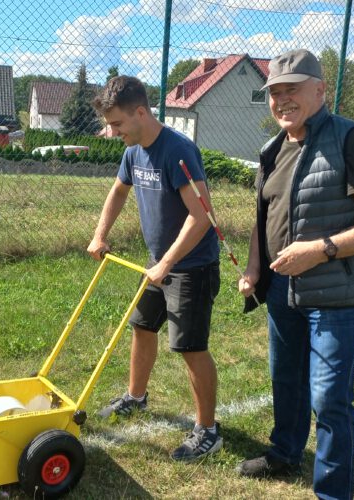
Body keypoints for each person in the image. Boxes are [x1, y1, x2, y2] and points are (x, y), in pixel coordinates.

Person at [235, 49, 354, 499]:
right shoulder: (270, 151)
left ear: (320, 90)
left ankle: (331, 492)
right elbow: (261, 218)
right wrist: (254, 268)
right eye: (275, 92)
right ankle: (285, 452)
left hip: (336, 295)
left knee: (330, 400)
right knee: (286, 382)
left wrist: (322, 250)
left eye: (293, 89)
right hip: (280, 291)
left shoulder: (351, 139)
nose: (282, 99)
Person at [87, 75, 222, 461]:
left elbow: (202, 217)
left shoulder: (177, 152)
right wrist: (100, 235)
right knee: (142, 327)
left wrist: (167, 262)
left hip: (191, 264)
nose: (112, 133)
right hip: (158, 262)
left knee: (190, 346)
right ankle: (136, 396)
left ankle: (208, 431)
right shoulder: (133, 151)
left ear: (141, 112)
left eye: (117, 124)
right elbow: (118, 191)